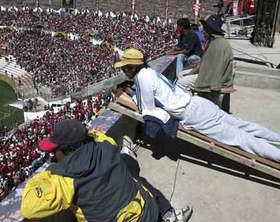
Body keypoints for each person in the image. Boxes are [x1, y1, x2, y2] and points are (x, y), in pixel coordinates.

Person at [114, 48, 280, 162]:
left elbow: (147, 109)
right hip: (197, 103)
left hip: (193, 115)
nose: (123, 71)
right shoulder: (150, 72)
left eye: (124, 68)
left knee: (243, 139)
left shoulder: (142, 78)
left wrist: (126, 95)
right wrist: (132, 91)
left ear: (131, 68)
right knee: (243, 126)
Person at [20, 119, 192, 222]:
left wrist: (48, 173)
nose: (52, 155)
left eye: (53, 151)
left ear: (65, 150)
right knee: (135, 175)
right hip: (149, 213)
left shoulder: (63, 179)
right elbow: (94, 134)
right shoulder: (106, 143)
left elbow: (28, 209)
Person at [176, 15, 233, 104]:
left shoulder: (215, 44)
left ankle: (189, 105)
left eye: (205, 29)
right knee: (181, 74)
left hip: (213, 80)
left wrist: (190, 73)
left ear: (210, 30)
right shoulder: (218, 42)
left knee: (181, 83)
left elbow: (203, 67)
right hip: (216, 76)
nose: (203, 32)